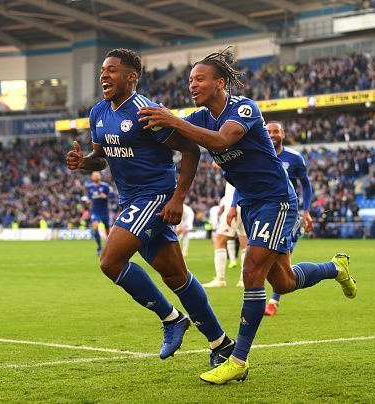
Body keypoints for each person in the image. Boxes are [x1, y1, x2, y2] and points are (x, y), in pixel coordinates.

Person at [138, 48, 357, 385]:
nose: (191, 85)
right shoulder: (198, 118)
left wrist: (171, 118)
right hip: (251, 205)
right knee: (282, 281)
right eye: (189, 80)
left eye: (199, 79)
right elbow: (179, 140)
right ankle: (335, 267)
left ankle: (237, 359)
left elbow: (223, 140)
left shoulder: (244, 108)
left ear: (220, 82)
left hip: (276, 200)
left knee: (252, 271)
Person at [66, 48, 234, 367]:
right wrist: (83, 162)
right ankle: (222, 344)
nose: (104, 75)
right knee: (176, 276)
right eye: (102, 70)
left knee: (110, 261)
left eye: (112, 70)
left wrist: (178, 198)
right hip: (130, 199)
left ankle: (171, 319)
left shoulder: (146, 112)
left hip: (154, 196)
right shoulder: (98, 113)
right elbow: (101, 157)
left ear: (132, 77)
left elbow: (190, 151)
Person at [263, 121, 314, 316]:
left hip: (290, 214)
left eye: (276, 131)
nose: (273, 134)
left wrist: (307, 211)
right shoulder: (259, 155)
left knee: (283, 253)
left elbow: (306, 185)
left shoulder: (294, 158)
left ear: (283, 134)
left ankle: (273, 301)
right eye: (269, 131)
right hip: (265, 212)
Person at [203, 177, 247, 289]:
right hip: (246, 203)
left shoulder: (231, 162)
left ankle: (220, 279)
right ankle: (244, 280)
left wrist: (232, 206)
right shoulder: (249, 161)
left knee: (219, 241)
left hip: (234, 205)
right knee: (245, 244)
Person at [86, 171, 116, 255]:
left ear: (100, 176)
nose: (96, 177)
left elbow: (113, 196)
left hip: (104, 212)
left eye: (97, 175)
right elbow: (89, 197)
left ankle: (108, 247)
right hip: (95, 211)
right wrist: (88, 200)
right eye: (94, 175)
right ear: (92, 177)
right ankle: (99, 247)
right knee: (95, 227)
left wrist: (106, 196)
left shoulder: (105, 186)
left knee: (107, 230)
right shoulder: (89, 187)